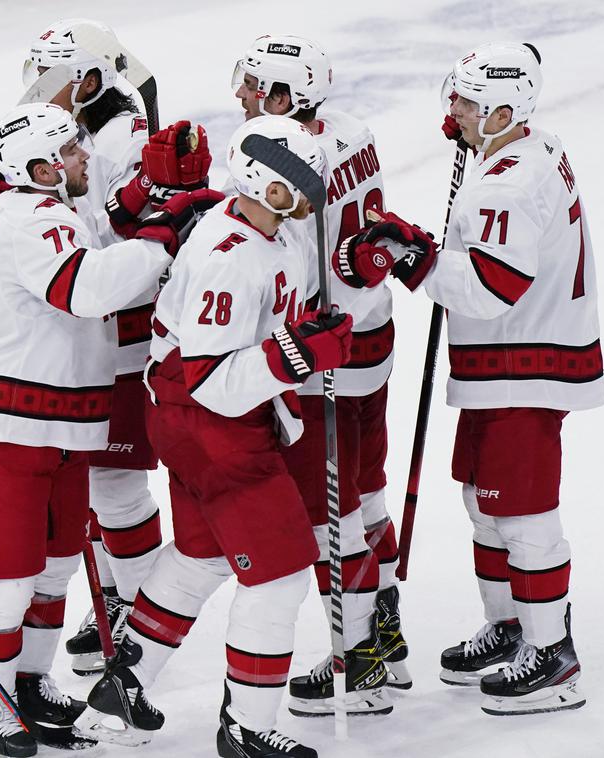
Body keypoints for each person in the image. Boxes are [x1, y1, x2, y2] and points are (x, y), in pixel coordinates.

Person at [76, 115, 350, 758]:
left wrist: (320, 323)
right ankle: (247, 728)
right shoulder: (225, 256)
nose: (306, 198)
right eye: (293, 185)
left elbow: (288, 314)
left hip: (209, 420)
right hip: (211, 425)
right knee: (279, 575)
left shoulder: (277, 234)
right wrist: (298, 357)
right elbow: (209, 382)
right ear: (258, 180)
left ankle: (123, 687)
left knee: (201, 554)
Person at [0, 101, 201, 758]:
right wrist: (163, 232)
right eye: (73, 151)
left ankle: (28, 682)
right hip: (7, 429)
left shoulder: (53, 211)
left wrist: (152, 201)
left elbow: (101, 240)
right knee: (8, 579)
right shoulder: (31, 219)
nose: (87, 158)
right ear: (40, 167)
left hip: (57, 425)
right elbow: (85, 288)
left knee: (53, 570)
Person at [340, 41, 600, 715]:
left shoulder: (507, 184)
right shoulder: (524, 150)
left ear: (505, 109)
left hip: (523, 365)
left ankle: (553, 658)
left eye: (464, 102)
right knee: (485, 504)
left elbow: (489, 287)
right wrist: (423, 247)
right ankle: (514, 626)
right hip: (506, 361)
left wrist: (411, 257)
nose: (450, 111)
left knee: (521, 513)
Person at [20, 18, 214, 677]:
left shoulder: (124, 137)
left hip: (128, 339)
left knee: (116, 488)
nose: (38, 91)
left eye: (53, 79)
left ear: (92, 79)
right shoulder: (81, 133)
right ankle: (114, 601)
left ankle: (136, 616)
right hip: (98, 333)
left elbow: (143, 239)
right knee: (102, 489)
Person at [232, 34, 403, 712]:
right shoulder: (351, 130)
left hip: (326, 351)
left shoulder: (279, 156)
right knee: (366, 493)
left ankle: (358, 669)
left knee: (334, 516)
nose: (240, 96)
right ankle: (382, 638)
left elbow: (280, 253)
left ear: (284, 98)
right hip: (373, 332)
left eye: (253, 86)